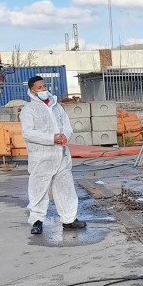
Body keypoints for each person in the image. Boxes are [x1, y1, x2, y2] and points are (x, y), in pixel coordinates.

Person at [19, 75, 87, 236]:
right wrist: (51, 138)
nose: (43, 90)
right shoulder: (29, 110)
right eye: (39, 88)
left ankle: (69, 219)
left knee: (65, 188)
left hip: (61, 156)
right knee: (39, 190)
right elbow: (28, 133)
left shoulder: (57, 107)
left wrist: (65, 136)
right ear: (32, 91)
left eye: (44, 86)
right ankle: (37, 221)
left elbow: (67, 126)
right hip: (42, 157)